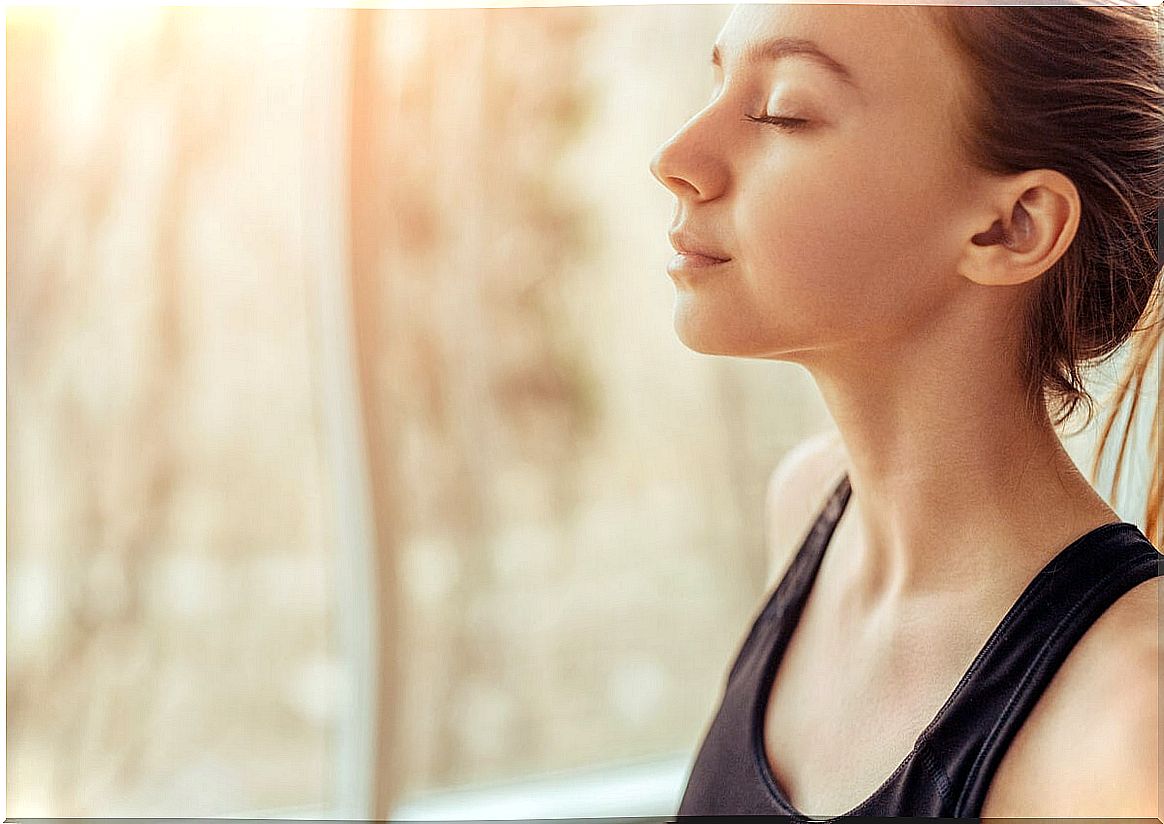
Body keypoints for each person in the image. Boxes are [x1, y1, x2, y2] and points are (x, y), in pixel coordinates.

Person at [648, 3, 1162, 819]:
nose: (674, 158)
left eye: (785, 110)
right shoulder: (808, 505)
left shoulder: (1133, 721)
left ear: (1011, 226)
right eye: (715, 83)